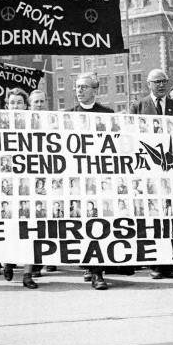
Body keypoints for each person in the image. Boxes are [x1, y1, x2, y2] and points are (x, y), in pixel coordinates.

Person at [131, 69, 173, 280]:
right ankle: (155, 264)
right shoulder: (138, 106)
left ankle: (169, 264)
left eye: (164, 81)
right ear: (149, 84)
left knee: (171, 218)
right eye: (157, 82)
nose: (161, 85)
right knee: (153, 218)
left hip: (172, 170)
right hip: (149, 172)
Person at [69, 72, 114, 290]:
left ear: (94, 89)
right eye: (77, 87)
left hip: (100, 179)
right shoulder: (67, 115)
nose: (79, 90)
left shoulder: (107, 114)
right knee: (81, 223)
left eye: (84, 87)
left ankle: (98, 272)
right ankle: (88, 264)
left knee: (99, 222)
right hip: (77, 179)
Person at [1, 88, 41, 289]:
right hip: (8, 185)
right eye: (12, 102)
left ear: (26, 106)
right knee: (10, 228)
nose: (15, 106)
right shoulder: (0, 126)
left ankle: (27, 274)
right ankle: (8, 261)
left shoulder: (35, 125)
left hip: (29, 184)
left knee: (29, 230)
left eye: (19, 102)